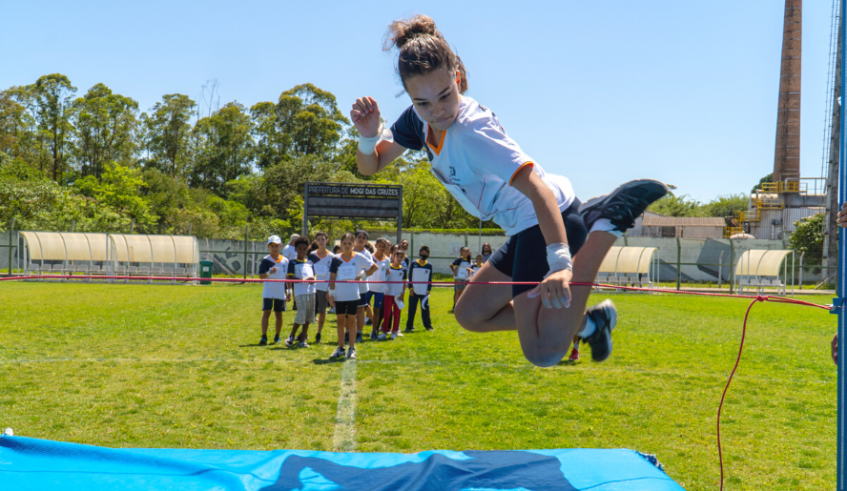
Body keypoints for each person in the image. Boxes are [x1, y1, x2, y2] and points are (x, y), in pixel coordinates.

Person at [350, 15, 667, 365]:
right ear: (410, 99)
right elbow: (372, 166)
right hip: (521, 227)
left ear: (457, 78)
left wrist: (560, 264)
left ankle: (603, 224)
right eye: (423, 102)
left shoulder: (472, 133)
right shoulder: (417, 120)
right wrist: (367, 138)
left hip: (546, 219)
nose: (437, 110)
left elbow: (536, 188)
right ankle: (590, 324)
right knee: (469, 313)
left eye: (444, 95)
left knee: (544, 351)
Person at [328, 233, 378, 360]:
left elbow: (374, 267)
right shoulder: (336, 258)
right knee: (340, 322)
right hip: (339, 295)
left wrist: (362, 276)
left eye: (349, 243)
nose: (347, 246)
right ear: (340, 245)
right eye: (344, 243)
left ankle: (351, 348)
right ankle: (340, 348)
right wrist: (331, 295)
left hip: (353, 295)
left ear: (353, 244)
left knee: (352, 322)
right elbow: (332, 277)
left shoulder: (359, 257)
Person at [257, 235, 290, 345]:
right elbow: (261, 276)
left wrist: (289, 291)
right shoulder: (266, 260)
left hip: (280, 291)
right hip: (269, 290)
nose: (274, 248)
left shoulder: (285, 261)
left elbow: (287, 278)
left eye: (276, 246)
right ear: (268, 247)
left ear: (280, 246)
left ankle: (277, 336)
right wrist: (269, 273)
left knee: (279, 314)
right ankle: (264, 336)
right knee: (266, 313)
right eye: (272, 246)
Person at [285, 237, 317, 348]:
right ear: (295, 249)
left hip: (311, 291)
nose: (302, 251)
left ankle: (303, 339)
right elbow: (290, 277)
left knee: (308, 316)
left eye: (304, 249)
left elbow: (314, 276)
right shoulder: (292, 262)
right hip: (299, 292)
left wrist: (313, 280)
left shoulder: (310, 262)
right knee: (301, 314)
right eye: (299, 249)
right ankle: (291, 336)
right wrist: (303, 280)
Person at [309, 232, 335, 344]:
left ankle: (319, 333)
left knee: (322, 311)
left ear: (327, 241)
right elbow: (308, 269)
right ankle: (304, 333)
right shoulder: (312, 255)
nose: (321, 241)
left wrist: (329, 290)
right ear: (316, 241)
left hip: (324, 288)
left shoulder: (332, 256)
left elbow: (333, 274)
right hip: (312, 287)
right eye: (318, 239)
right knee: (309, 312)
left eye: (323, 239)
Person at [379, 245, 407, 340]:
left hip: (398, 296)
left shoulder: (403, 270)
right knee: (387, 314)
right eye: (397, 256)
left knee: (397, 314)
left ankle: (394, 332)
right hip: (387, 294)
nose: (399, 258)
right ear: (392, 257)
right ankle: (384, 331)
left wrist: (402, 293)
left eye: (401, 257)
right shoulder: (388, 268)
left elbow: (404, 283)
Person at [405, 245, 434, 332]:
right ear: (419, 253)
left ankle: (428, 326)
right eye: (423, 252)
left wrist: (428, 290)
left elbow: (430, 279)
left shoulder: (429, 265)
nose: (424, 254)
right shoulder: (414, 263)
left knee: (425, 309)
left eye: (426, 253)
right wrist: (411, 289)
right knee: (412, 309)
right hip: (414, 291)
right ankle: (409, 326)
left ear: (428, 255)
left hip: (424, 291)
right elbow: (410, 277)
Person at [367, 237, 392, 339]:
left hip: (380, 289)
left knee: (377, 310)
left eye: (383, 246)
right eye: (379, 246)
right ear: (375, 246)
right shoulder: (370, 257)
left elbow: (387, 271)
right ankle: (357, 330)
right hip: (369, 287)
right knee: (362, 307)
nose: (381, 248)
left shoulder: (387, 260)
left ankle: (374, 331)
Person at [353, 230, 375, 343]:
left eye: (363, 238)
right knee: (350, 310)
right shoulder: (349, 251)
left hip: (362, 286)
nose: (361, 239)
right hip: (349, 286)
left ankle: (359, 333)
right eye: (359, 237)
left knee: (361, 309)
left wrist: (362, 275)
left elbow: (371, 269)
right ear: (355, 239)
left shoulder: (367, 254)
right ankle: (349, 332)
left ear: (366, 241)